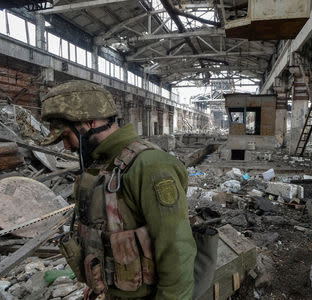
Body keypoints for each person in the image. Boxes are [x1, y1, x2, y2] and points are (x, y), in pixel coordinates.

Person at [40, 80, 196, 300]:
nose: (66, 146)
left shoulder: (149, 165)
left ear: (89, 122)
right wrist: (97, 282)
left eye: (67, 136)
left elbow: (177, 251)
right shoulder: (102, 165)